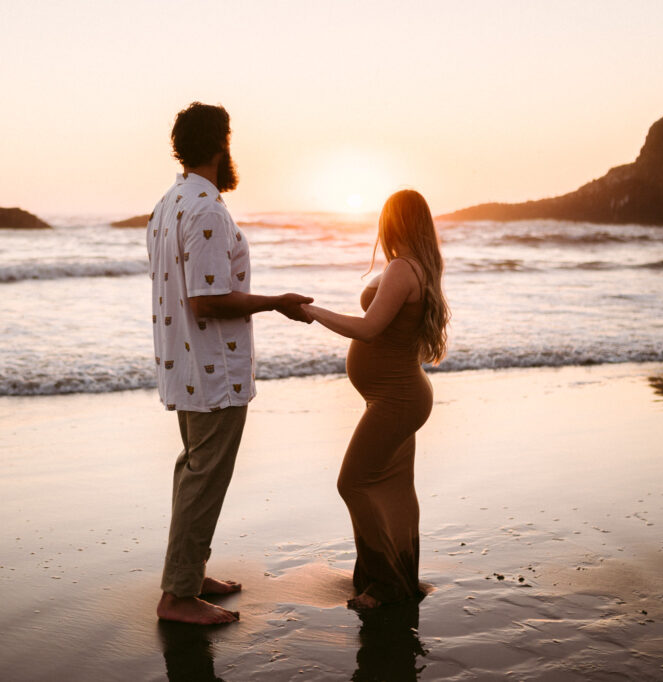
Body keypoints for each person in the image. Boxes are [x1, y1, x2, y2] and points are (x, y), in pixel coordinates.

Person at [146, 102, 312, 625]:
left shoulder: (167, 203)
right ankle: (176, 597)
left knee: (192, 471)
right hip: (213, 368)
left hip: (185, 363)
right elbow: (206, 300)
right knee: (204, 477)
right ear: (221, 144)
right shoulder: (207, 209)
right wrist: (276, 302)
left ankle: (187, 577)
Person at [302, 189, 449, 609]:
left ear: (394, 222)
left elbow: (367, 329)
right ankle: (398, 574)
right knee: (397, 487)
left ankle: (384, 583)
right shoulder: (418, 266)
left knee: (353, 482)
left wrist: (314, 312)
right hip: (399, 396)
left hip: (397, 399)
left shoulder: (404, 268)